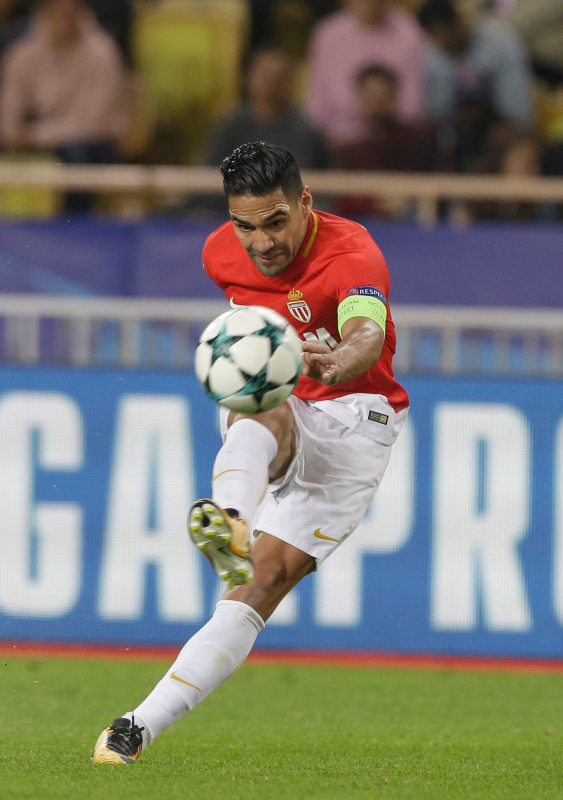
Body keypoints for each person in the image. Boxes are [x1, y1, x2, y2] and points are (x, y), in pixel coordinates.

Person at [92, 141, 409, 765]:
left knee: (267, 579)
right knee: (261, 397)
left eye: (275, 222)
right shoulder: (220, 252)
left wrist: (338, 360)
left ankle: (140, 718)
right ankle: (230, 523)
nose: (261, 243)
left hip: (356, 419)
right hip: (278, 408)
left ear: (305, 201)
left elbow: (367, 330)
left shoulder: (352, 252)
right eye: (245, 226)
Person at [0, 0, 126, 211]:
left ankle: (74, 223)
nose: (64, 19)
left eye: (70, 11)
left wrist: (34, 137)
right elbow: (9, 116)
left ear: (81, 12)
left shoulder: (103, 53)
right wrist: (14, 135)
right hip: (37, 138)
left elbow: (91, 124)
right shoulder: (21, 55)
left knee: (79, 152)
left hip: (89, 142)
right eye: (57, 11)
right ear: (45, 13)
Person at [417, 0, 534, 172]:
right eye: (437, 38)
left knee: (503, 137)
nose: (444, 42)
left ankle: (481, 186)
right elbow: (438, 113)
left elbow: (517, 110)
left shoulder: (500, 42)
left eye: (447, 35)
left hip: (500, 122)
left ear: (459, 22)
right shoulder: (433, 56)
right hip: (458, 128)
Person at [306, 0, 427, 147]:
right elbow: (317, 105)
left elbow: (413, 106)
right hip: (337, 142)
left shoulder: (409, 31)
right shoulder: (327, 33)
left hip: (395, 142)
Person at [334, 64, 437, 216]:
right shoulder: (349, 151)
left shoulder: (415, 141)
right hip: (362, 220)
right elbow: (343, 199)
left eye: (382, 97)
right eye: (370, 96)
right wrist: (373, 204)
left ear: (393, 97)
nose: (376, 104)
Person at [207, 47, 328, 170]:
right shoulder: (230, 127)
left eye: (279, 76)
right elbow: (210, 173)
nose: (271, 82)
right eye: (265, 75)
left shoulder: (305, 132)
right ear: (248, 77)